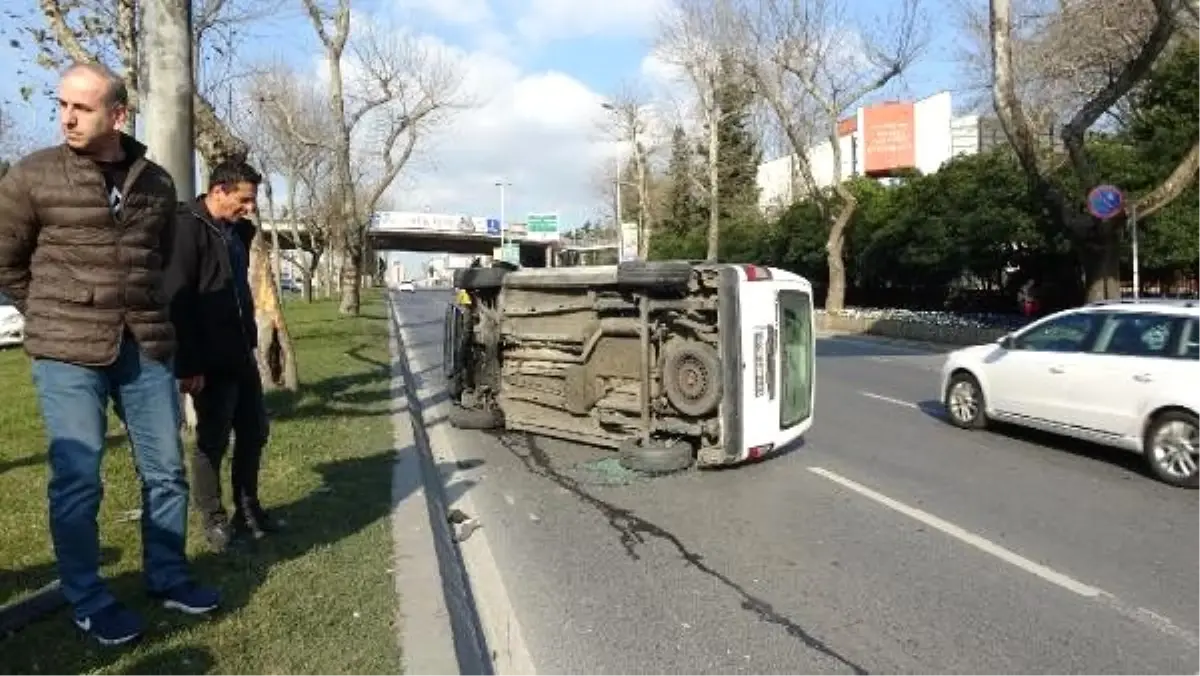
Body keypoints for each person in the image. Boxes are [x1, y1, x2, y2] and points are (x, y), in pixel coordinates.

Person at [0, 62, 220, 646]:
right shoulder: (32, 176)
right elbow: (6, 260)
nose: (67, 117)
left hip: (144, 345)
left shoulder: (156, 183)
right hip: (67, 352)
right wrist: (49, 309)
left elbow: (159, 265)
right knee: (79, 479)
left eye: (83, 107)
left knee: (167, 472)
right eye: (62, 104)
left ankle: (168, 576)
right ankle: (88, 599)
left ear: (117, 115)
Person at [167, 160, 276, 553]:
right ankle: (213, 520)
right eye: (243, 200)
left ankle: (248, 510)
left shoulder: (236, 233)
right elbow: (177, 300)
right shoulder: (186, 228)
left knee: (254, 431)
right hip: (207, 359)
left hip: (239, 353)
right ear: (219, 191)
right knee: (212, 441)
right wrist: (189, 364)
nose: (249, 207)